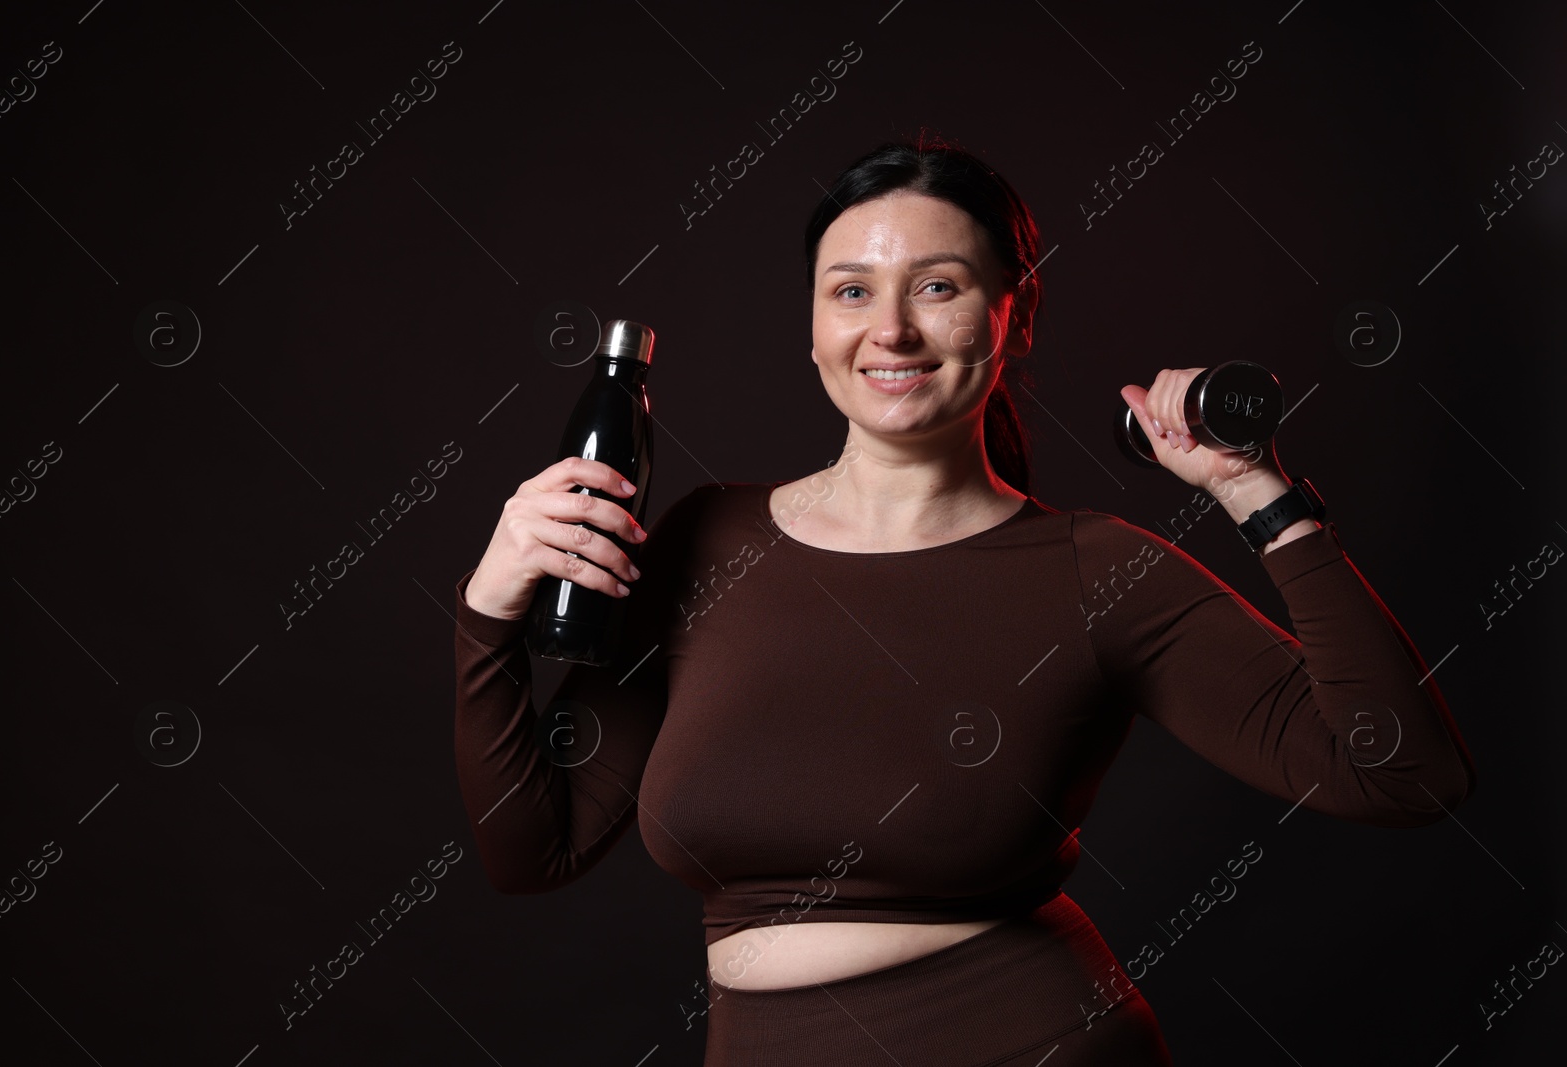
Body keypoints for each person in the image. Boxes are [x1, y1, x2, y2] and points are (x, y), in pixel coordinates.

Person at [452, 134, 1477, 1066]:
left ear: (1012, 313)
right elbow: (534, 847)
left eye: (934, 285)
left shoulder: (1094, 569)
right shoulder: (705, 541)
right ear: (810, 326)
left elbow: (1403, 774)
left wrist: (1262, 496)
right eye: (850, 291)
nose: (889, 330)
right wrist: (488, 609)